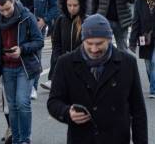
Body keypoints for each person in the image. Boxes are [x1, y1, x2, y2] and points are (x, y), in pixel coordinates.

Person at [47, 14, 148, 144]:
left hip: (116, 138)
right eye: (89, 43)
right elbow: (53, 102)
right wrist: (67, 112)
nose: (94, 49)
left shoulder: (127, 63)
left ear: (109, 39)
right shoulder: (65, 63)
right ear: (82, 40)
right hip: (81, 138)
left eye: (99, 44)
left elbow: (138, 110)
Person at [0, 0, 44, 144]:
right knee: (12, 106)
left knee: (22, 102)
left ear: (13, 2)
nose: (5, 13)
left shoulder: (26, 16)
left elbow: (39, 41)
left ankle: (25, 139)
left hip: (24, 66)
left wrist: (22, 49)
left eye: (8, 8)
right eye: (1, 10)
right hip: (6, 67)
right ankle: (16, 139)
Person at [41, 0, 89, 91]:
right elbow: (57, 44)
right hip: (64, 63)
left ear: (81, 4)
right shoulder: (61, 20)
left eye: (75, 5)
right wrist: (58, 59)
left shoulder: (87, 20)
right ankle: (52, 80)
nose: (72, 8)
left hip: (81, 65)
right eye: (69, 5)